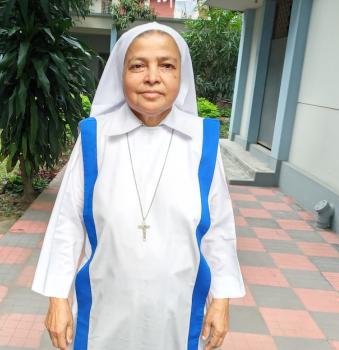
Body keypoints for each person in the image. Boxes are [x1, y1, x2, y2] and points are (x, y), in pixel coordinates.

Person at [32, 21, 246, 350]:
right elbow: (67, 224)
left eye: (166, 65)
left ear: (180, 75)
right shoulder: (95, 138)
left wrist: (223, 298)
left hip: (178, 306)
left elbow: (218, 227)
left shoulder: (202, 142)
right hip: (105, 305)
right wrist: (57, 299)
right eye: (138, 66)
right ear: (121, 74)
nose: (152, 77)